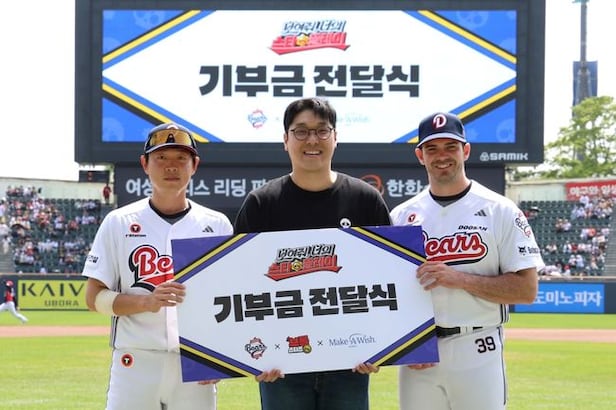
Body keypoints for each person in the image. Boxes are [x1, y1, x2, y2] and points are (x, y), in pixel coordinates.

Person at [234, 97, 391, 410]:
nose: (312, 140)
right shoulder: (262, 203)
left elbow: (390, 279)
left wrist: (382, 346)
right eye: (301, 131)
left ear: (335, 137)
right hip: (281, 364)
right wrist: (253, 354)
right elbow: (238, 283)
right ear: (285, 140)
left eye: (321, 131)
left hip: (350, 359)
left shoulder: (365, 200)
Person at [390, 112, 544, 410]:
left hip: (478, 346)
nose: (442, 156)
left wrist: (459, 279)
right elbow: (392, 292)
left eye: (451, 147)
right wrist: (406, 347)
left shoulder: (500, 210)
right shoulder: (401, 215)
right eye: (432, 148)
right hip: (421, 354)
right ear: (420, 156)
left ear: (466, 150)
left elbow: (527, 290)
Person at [82, 123, 233, 410]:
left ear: (194, 165)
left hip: (195, 361)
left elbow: (228, 298)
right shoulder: (119, 222)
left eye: (181, 158)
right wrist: (147, 302)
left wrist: (219, 357)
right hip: (135, 358)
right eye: (161, 157)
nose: (171, 166)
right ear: (145, 164)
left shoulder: (217, 225)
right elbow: (94, 298)